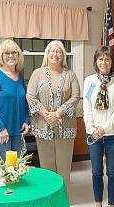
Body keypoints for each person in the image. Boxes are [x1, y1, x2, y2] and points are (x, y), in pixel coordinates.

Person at [26, 40, 80, 187]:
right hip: (43, 127)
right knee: (47, 166)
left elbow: (75, 97)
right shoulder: (37, 73)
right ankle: (48, 201)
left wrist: (57, 114)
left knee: (64, 167)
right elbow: (30, 96)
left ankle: (63, 201)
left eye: (59, 51)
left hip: (65, 128)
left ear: (63, 55)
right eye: (52, 51)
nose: (55, 54)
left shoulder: (71, 75)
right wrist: (47, 115)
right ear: (47, 54)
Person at [83, 46, 114, 207]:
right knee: (96, 172)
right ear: (96, 61)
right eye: (100, 59)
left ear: (112, 62)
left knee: (112, 172)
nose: (104, 62)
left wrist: (104, 129)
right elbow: (87, 107)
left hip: (113, 135)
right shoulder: (89, 81)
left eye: (107, 59)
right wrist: (92, 128)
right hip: (93, 135)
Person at [0, 40, 29, 160]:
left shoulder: (19, 76)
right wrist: (1, 128)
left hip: (17, 130)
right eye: (6, 53)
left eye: (14, 52)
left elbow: (24, 102)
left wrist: (26, 120)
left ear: (18, 55)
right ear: (1, 56)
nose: (10, 56)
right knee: (6, 169)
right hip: (1, 131)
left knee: (16, 167)